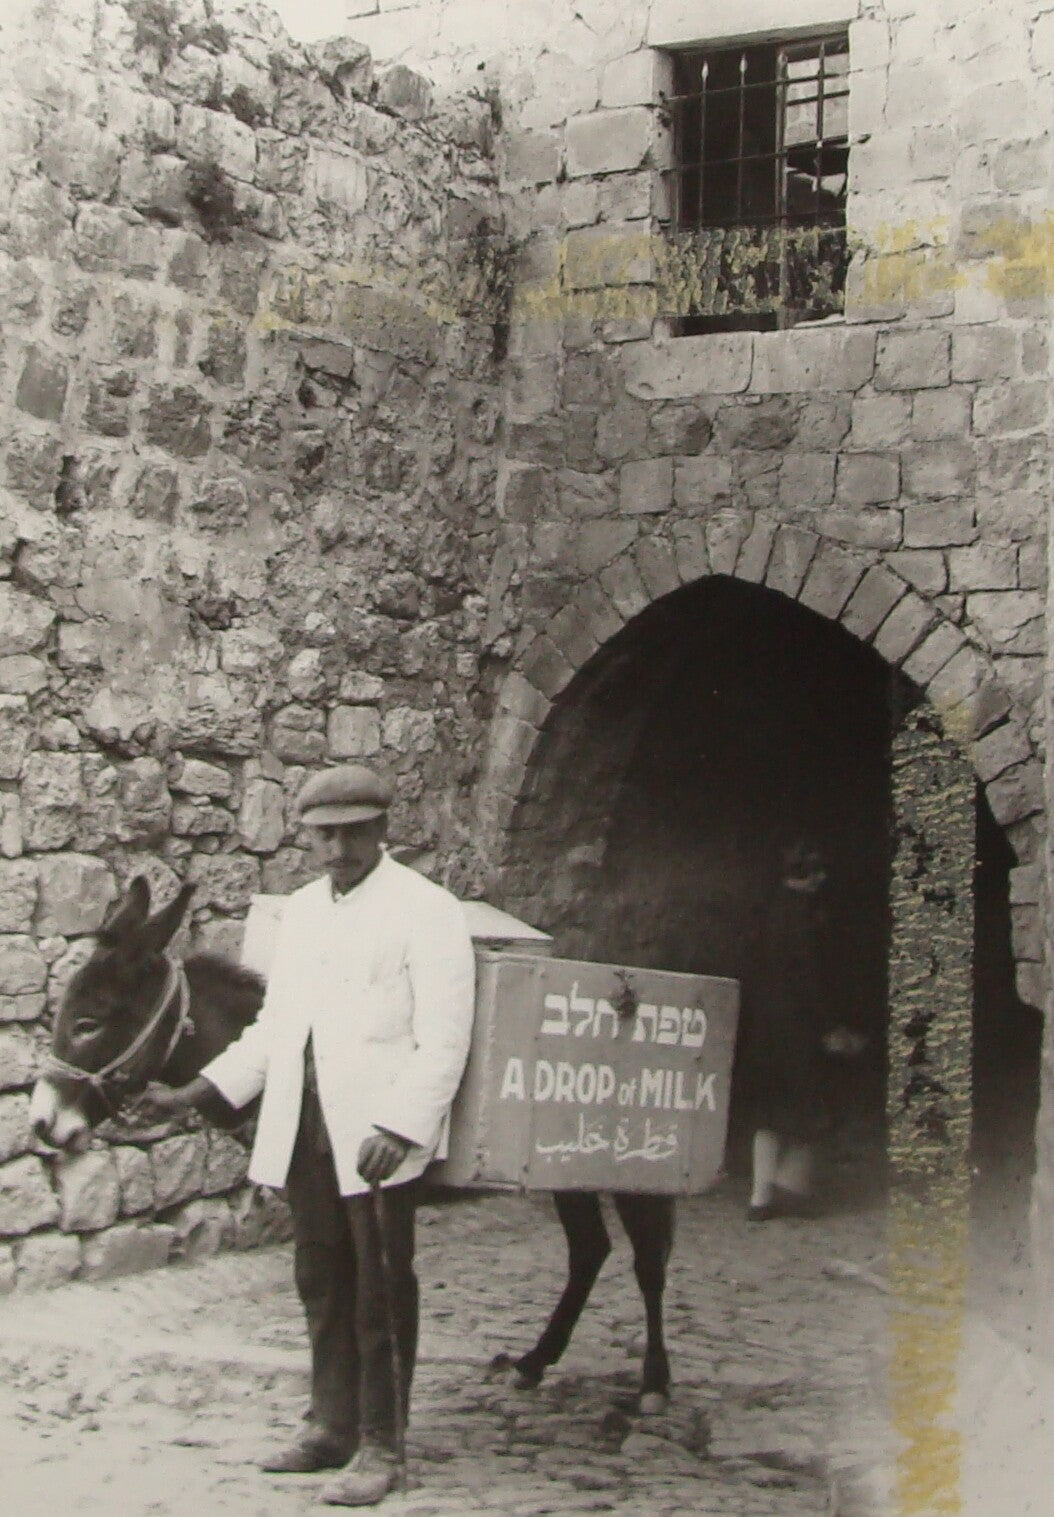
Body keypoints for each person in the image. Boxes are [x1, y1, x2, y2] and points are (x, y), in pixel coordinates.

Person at [137, 763, 476, 1506]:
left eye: (352, 832)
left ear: (382, 830)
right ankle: (331, 1426)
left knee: (381, 1286)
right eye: (324, 834)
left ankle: (384, 1445)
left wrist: (402, 1124)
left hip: (377, 1133)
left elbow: (445, 1039)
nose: (337, 849)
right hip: (306, 1126)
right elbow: (275, 1029)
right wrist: (194, 1094)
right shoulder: (302, 912)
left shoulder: (427, 909)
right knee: (320, 1279)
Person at [738, 838, 857, 1222]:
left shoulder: (765, 910)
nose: (823, 879)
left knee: (768, 1111)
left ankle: (760, 1197)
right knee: (816, 1104)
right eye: (819, 872)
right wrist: (830, 1026)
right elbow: (810, 980)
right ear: (808, 876)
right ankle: (793, 1186)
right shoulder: (806, 918)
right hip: (799, 1029)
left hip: (764, 1026)